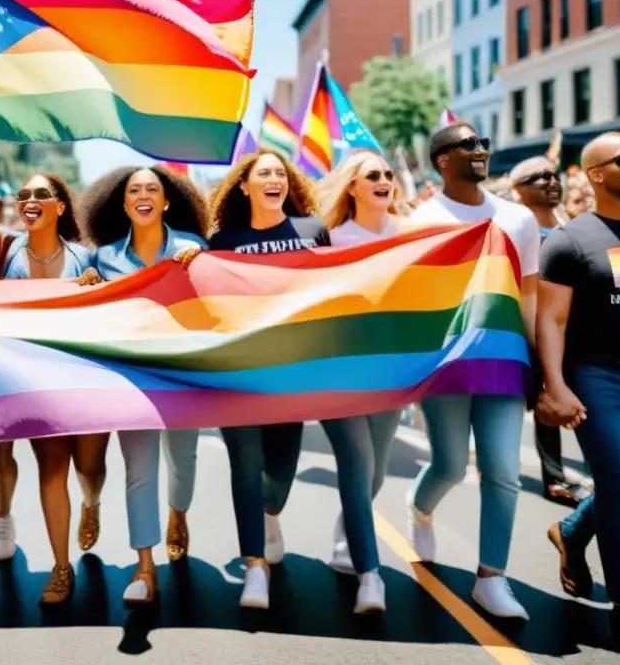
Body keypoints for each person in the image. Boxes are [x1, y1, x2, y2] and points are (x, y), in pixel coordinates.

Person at [0, 142, 100, 604]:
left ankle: (76, 536)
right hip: (2, 377)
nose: (29, 201)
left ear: (60, 206)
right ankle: (21, 558)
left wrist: (93, 290)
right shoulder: (6, 246)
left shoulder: (85, 259)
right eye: (23, 195)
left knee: (68, 471)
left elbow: (109, 310)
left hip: (56, 383)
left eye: (40, 195)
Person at [407, 122, 537, 619]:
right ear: (443, 160)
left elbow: (530, 294)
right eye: (469, 145)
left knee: (503, 470)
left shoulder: (519, 219)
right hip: (446, 364)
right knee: (451, 466)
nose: (481, 150)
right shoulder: (419, 221)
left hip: (504, 360)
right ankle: (420, 507)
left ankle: (492, 579)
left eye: (484, 143)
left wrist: (539, 365)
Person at [538, 133, 620, 660]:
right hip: (599, 381)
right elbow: (552, 320)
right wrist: (556, 385)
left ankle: (571, 529)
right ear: (595, 174)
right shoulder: (569, 240)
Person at [204, 150, 330, 609]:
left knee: (278, 476)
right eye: (264, 174)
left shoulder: (312, 231)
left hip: (292, 374)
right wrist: (190, 257)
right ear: (244, 185)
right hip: (239, 373)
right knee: (246, 469)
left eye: (280, 173)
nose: (274, 179)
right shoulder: (223, 240)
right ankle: (254, 566)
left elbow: (333, 290)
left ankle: (270, 515)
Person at [77, 165, 208, 604]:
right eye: (135, 189)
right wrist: (88, 287)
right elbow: (88, 311)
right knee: (139, 470)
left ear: (167, 202)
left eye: (153, 188)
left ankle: (178, 513)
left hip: (182, 376)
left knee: (183, 462)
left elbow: (215, 302)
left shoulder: (193, 248)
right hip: (131, 381)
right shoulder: (104, 257)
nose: (144, 194)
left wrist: (201, 267)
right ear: (124, 202)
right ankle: (145, 567)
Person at [314, 150, 404, 614]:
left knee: (376, 472)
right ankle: (371, 575)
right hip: (340, 371)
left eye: (388, 174)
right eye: (373, 175)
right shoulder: (331, 239)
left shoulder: (413, 236)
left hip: (392, 372)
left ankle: (347, 533)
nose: (384, 180)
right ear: (352, 187)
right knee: (358, 461)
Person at [508, 157, 590, 507]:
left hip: (567, 330)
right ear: (518, 192)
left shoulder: (569, 225)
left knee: (571, 396)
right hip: (525, 330)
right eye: (537, 178)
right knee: (536, 401)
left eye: (552, 175)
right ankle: (552, 478)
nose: (550, 181)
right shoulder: (512, 229)